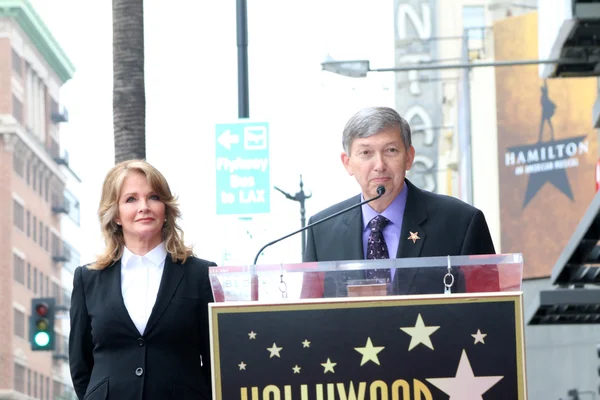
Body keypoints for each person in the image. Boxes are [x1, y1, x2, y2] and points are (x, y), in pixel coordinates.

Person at [302, 107, 497, 297]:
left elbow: (490, 312)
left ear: (409, 157)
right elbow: (311, 319)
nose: (379, 165)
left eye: (391, 150)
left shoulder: (461, 223)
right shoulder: (322, 231)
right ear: (347, 163)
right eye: (366, 153)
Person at [69, 160, 216, 400]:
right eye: (131, 199)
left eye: (154, 197)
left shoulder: (200, 275)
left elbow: (214, 361)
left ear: (166, 209)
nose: (144, 207)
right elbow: (80, 364)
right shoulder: (88, 279)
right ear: (116, 215)